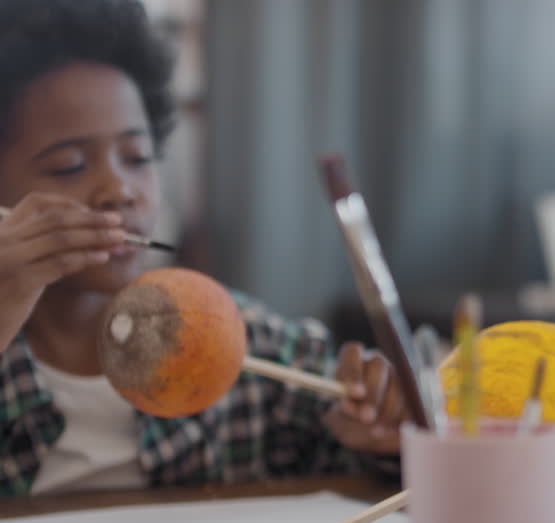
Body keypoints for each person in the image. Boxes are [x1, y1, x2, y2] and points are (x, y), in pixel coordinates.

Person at [0, 0, 404, 496]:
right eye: (68, 165)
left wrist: (383, 428)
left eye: (137, 156)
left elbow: (389, 468)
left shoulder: (243, 340)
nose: (119, 189)